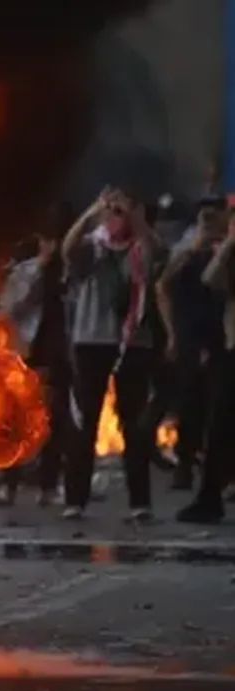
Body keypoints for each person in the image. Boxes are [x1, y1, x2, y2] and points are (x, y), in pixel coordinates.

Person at [59, 187, 159, 521]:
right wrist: (92, 213)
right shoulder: (94, 246)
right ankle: (75, 499)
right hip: (91, 340)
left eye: (121, 213)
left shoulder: (139, 247)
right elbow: (68, 250)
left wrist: (136, 219)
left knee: (134, 424)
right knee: (84, 422)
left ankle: (140, 502)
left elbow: (155, 254)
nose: (116, 219)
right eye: (112, 213)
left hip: (132, 344)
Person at [0, 217, 69, 507]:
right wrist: (39, 270)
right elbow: (10, 309)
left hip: (58, 354)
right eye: (49, 241)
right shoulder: (25, 272)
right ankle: (6, 482)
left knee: (55, 422)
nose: (55, 247)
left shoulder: (70, 271)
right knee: (15, 420)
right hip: (25, 354)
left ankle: (48, 484)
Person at [153, 196, 226, 490]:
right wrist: (171, 332)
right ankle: (185, 462)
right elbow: (162, 287)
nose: (208, 221)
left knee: (219, 404)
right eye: (203, 216)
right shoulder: (186, 250)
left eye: (213, 214)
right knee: (189, 400)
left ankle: (220, 471)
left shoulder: (227, 248)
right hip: (190, 336)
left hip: (221, 335)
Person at [178, 212, 235, 523]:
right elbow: (210, 279)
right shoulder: (229, 258)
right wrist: (230, 243)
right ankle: (209, 498)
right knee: (219, 427)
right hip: (231, 352)